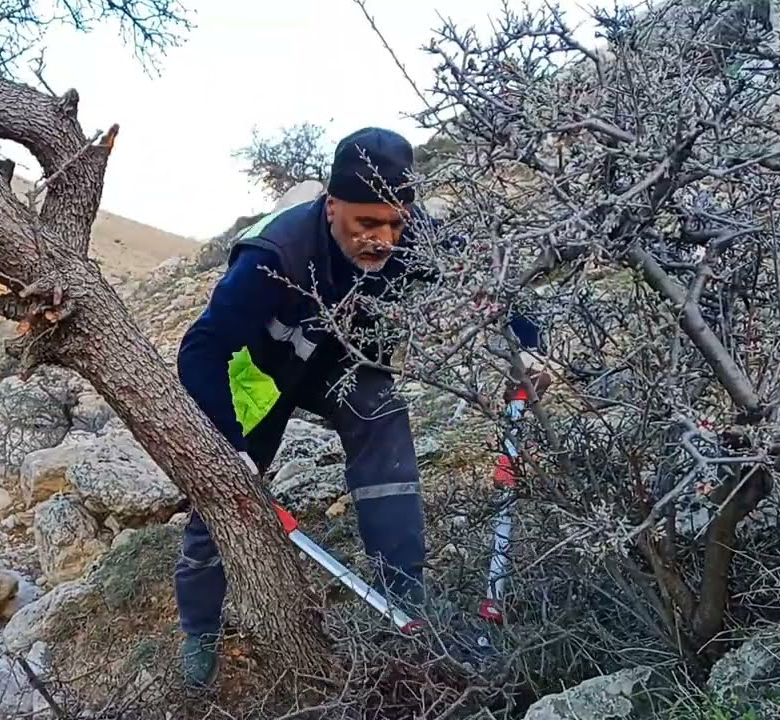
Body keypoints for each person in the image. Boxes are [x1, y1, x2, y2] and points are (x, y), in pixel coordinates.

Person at [173, 126, 547, 688]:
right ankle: (199, 629)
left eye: (394, 224)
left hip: (342, 366)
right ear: (331, 206)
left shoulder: (413, 235)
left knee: (383, 415)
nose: (382, 239)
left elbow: (486, 283)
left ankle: (404, 595)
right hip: (260, 374)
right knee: (227, 488)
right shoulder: (273, 255)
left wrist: (531, 346)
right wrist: (228, 445)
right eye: (366, 224)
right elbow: (200, 350)